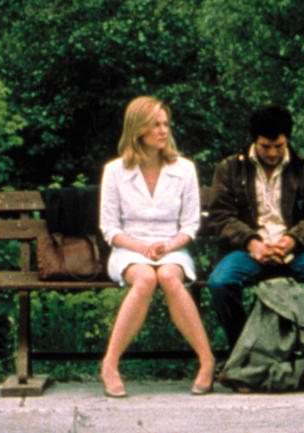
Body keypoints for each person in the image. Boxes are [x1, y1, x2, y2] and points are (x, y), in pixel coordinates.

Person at [206, 104, 304, 391]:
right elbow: (221, 216)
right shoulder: (230, 168)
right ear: (254, 141)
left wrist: (292, 240)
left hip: (297, 249)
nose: (272, 153)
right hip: (249, 251)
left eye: (278, 146)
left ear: (288, 141)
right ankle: (243, 356)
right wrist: (252, 243)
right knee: (220, 283)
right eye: (265, 146)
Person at [98, 96, 215, 397]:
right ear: (138, 130)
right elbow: (109, 228)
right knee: (146, 278)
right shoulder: (114, 171)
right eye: (155, 125)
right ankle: (110, 364)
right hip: (128, 248)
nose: (163, 131)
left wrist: (169, 245)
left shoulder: (184, 169)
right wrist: (139, 247)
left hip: (171, 247)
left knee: (168, 276)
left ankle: (207, 361)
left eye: (166, 124)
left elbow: (190, 225)